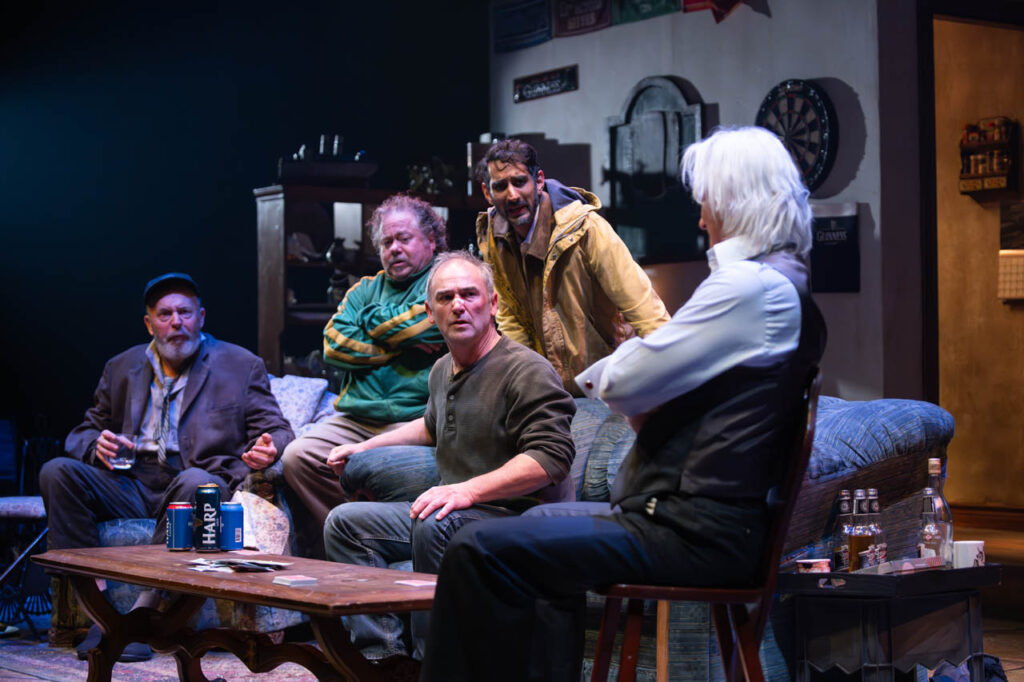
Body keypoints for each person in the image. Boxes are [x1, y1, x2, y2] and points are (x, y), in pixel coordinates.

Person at [421, 126, 829, 681]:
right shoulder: (779, 285)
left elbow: (625, 384)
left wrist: (631, 373)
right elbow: (644, 385)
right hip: (692, 523)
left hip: (689, 531)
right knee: (529, 529)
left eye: (706, 201)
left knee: (477, 549)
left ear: (734, 201)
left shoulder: (749, 288)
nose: (702, 217)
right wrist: (642, 377)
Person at [323, 251, 576, 665]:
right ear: (429, 311)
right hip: (461, 515)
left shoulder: (526, 370)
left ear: (492, 304)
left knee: (434, 520)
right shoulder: (443, 368)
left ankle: (434, 665)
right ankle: (385, 663)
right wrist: (366, 446)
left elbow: (551, 458)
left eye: (469, 294)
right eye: (445, 297)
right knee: (345, 525)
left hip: (521, 521)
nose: (458, 305)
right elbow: (430, 426)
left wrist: (465, 491)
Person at [39, 272, 294, 662]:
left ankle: (142, 613)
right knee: (57, 471)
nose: (176, 322)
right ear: (149, 322)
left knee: (196, 483)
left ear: (201, 316)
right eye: (165, 314)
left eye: (185, 312)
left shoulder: (241, 364)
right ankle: (99, 610)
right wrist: (96, 445)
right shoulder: (121, 366)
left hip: (195, 482)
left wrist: (269, 448)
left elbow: (277, 429)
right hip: (131, 482)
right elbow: (84, 430)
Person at [281, 195, 448, 557]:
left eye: (404, 238)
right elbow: (334, 345)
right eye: (387, 242)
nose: (395, 249)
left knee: (375, 465)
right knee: (297, 456)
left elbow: (425, 325)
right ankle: (351, 536)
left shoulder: (444, 280)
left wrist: (371, 322)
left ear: (431, 241)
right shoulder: (365, 289)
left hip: (413, 419)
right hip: (355, 418)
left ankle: (362, 539)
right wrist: (396, 345)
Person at [476, 138, 670, 394]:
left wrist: (676, 378)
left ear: (539, 180)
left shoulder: (587, 228)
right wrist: (528, 381)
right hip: (550, 388)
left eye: (520, 181)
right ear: (487, 193)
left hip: (609, 382)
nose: (512, 195)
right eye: (501, 186)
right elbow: (510, 315)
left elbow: (644, 308)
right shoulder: (493, 235)